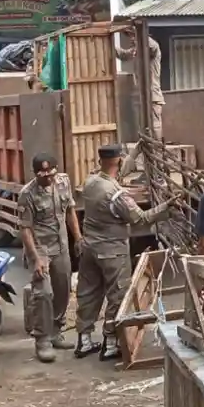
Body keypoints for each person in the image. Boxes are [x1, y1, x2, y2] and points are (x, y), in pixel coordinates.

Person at [76, 145, 178, 361]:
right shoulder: (116, 194)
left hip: (90, 247)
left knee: (89, 292)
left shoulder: (91, 181)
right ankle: (111, 342)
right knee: (117, 294)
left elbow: (117, 172)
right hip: (112, 251)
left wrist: (134, 153)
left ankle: (83, 340)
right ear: (118, 161)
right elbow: (139, 218)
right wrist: (165, 209)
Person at [17, 153, 80, 363]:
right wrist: (35, 259)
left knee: (63, 289)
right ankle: (42, 340)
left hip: (61, 245)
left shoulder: (63, 182)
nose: (47, 177)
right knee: (43, 293)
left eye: (50, 172)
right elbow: (25, 230)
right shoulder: (27, 194)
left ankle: (56, 331)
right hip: (40, 248)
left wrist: (78, 238)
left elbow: (70, 211)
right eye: (42, 174)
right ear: (35, 174)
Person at [114, 28, 164, 140]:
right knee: (142, 128)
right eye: (130, 36)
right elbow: (123, 55)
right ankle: (146, 150)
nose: (131, 39)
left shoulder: (152, 49)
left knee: (154, 126)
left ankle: (157, 151)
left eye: (133, 36)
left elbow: (152, 46)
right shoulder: (136, 51)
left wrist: (140, 37)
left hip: (152, 94)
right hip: (139, 95)